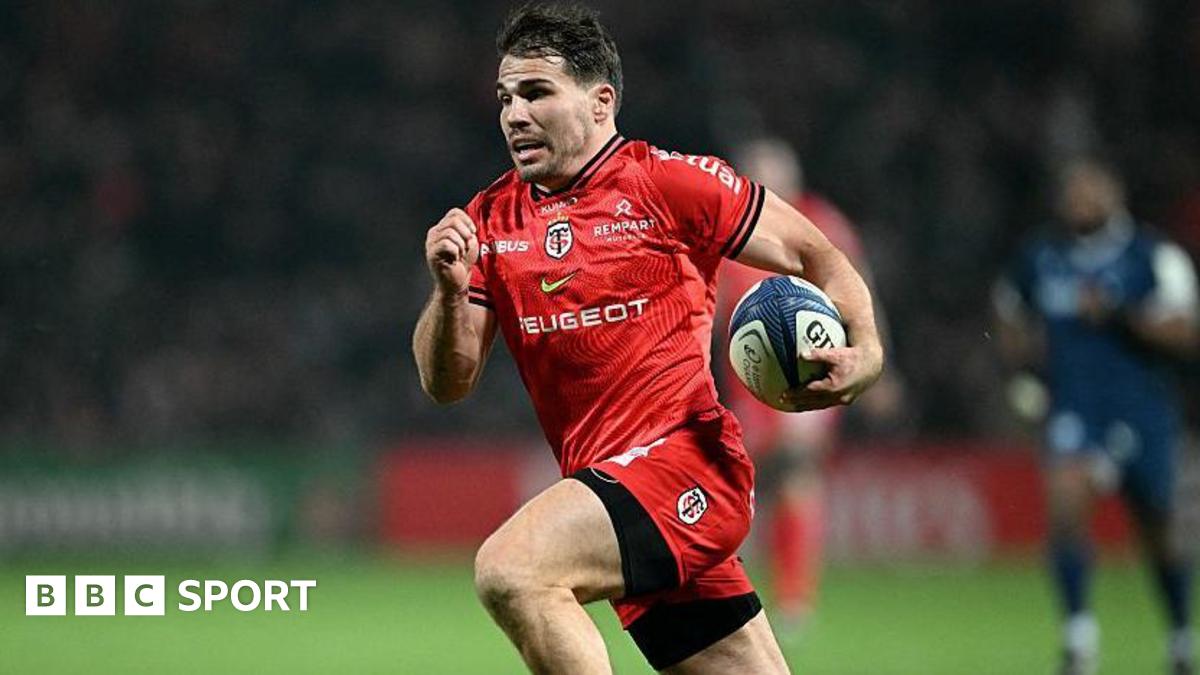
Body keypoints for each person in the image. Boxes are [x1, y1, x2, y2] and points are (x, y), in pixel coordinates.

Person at [412, 4, 883, 673]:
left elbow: (818, 255)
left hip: (687, 467)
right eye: (505, 98)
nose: (514, 114)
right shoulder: (491, 219)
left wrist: (867, 352)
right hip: (614, 499)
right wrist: (449, 292)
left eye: (537, 92)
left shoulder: (668, 182)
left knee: (513, 569)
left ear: (601, 102)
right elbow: (447, 382)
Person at [993, 159, 1198, 675]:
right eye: (1072, 192)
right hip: (1075, 406)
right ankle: (1078, 636)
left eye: (1090, 192)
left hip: (1142, 409)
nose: (1079, 201)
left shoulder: (1152, 256)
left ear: (1115, 195)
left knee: (1160, 526)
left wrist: (1120, 315)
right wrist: (1022, 366)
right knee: (1065, 505)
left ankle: (1179, 634)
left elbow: (1185, 330)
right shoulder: (1041, 258)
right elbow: (1008, 310)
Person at [716, 137, 900, 631]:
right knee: (746, 480)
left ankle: (795, 598)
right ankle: (738, 587)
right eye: (757, 175)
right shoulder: (730, 226)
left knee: (797, 471)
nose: (767, 184)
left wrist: (877, 357)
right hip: (750, 378)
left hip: (813, 364)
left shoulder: (821, 222)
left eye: (775, 174)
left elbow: (858, 289)